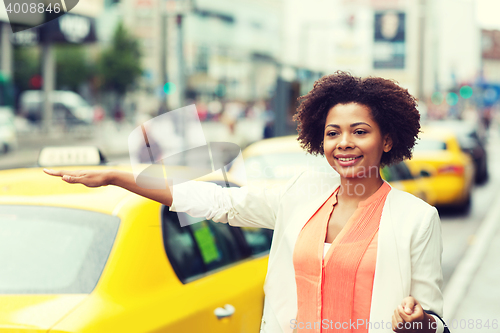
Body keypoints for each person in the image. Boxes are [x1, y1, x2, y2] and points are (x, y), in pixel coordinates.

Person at [44, 71, 448, 333]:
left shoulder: (417, 218)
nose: (344, 143)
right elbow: (221, 202)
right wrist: (120, 177)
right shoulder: (302, 192)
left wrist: (417, 323)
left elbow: (431, 319)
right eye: (332, 133)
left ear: (388, 140)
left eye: (359, 132)